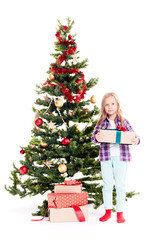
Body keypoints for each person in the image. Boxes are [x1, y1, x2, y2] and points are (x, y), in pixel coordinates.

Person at [91, 92, 140, 223]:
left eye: (113, 104)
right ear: (103, 107)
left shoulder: (124, 121)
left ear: (117, 105)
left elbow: (134, 136)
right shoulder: (101, 122)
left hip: (121, 157)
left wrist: (136, 140)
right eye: (107, 104)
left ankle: (120, 213)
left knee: (120, 185)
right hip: (106, 157)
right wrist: (96, 138)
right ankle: (107, 211)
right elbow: (93, 138)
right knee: (107, 185)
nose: (110, 107)